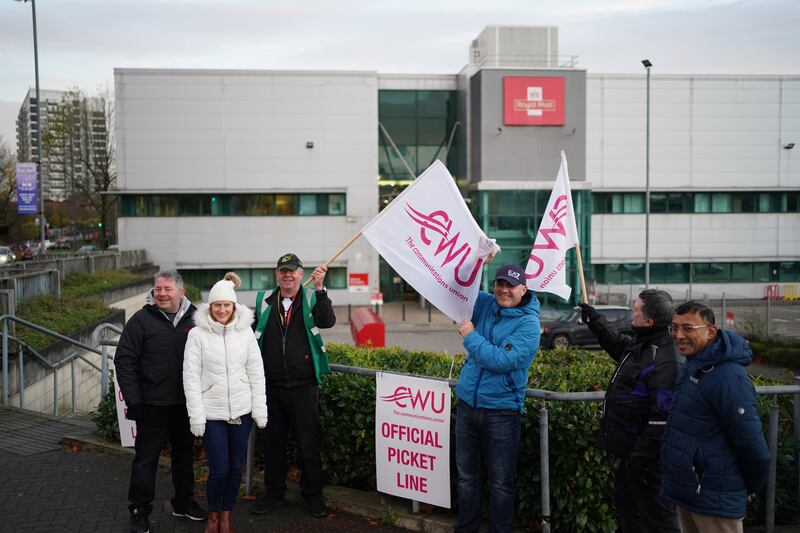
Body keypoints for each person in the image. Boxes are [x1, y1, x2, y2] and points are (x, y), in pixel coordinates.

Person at [660, 301, 770, 533]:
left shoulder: (728, 378)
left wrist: (749, 485)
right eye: (674, 327)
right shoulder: (694, 366)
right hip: (692, 492)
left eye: (688, 328)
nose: (678, 335)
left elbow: (750, 443)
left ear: (711, 332)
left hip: (715, 497)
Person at [579, 290, 681, 533]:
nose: (631, 315)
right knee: (628, 511)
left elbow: (663, 418)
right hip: (633, 457)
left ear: (649, 321)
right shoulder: (644, 345)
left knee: (658, 520)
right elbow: (618, 345)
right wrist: (596, 321)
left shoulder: (665, 359)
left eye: (635, 310)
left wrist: (639, 460)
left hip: (648, 462)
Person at [115, 270, 208, 533]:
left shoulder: (197, 319)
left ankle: (183, 502)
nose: (162, 294)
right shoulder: (141, 320)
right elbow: (124, 361)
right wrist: (134, 401)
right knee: (146, 460)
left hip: (185, 405)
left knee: (184, 456)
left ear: (181, 291)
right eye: (158, 289)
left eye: (167, 289)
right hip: (152, 406)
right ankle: (139, 511)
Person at [454, 263, 541, 533]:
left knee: (501, 484)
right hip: (468, 405)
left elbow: (501, 360)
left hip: (502, 412)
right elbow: (457, 288)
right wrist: (478, 260)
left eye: (510, 286)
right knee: (467, 478)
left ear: (523, 289)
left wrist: (470, 336)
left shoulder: (529, 324)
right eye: (499, 284)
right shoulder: (485, 303)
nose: (503, 290)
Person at [251, 253, 336, 518]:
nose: (287, 275)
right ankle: (274, 494)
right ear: (276, 275)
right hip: (272, 388)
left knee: (308, 444)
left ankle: (313, 497)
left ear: (302, 274)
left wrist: (321, 289)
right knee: (273, 445)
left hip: (303, 386)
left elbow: (327, 321)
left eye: (292, 271)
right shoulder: (263, 300)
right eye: (283, 271)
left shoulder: (312, 297)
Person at [183, 272, 268, 533]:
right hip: (212, 414)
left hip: (242, 412)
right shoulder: (197, 335)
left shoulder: (245, 334)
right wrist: (196, 416)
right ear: (210, 307)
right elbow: (190, 377)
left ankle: (227, 515)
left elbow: (256, 372)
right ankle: (213, 515)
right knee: (218, 469)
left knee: (235, 468)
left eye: (226, 305)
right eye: (217, 305)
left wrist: (260, 409)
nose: (222, 310)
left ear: (234, 307)